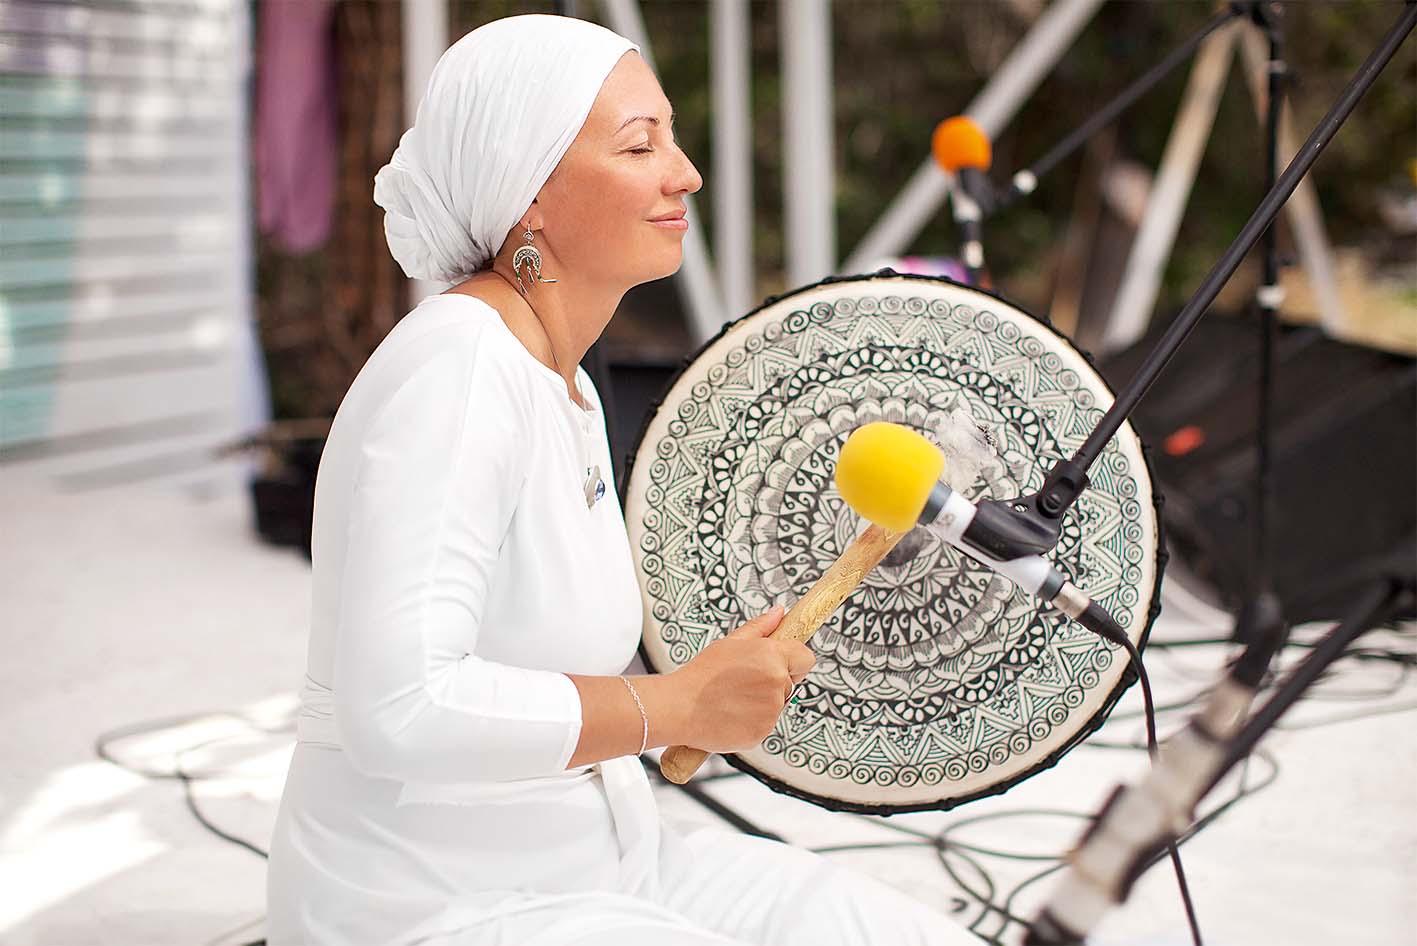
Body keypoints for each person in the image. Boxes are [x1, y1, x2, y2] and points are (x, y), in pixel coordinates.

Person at [265, 14, 980, 946]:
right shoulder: (459, 374)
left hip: (607, 865)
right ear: (527, 195)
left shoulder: (563, 383)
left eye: (671, 139)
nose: (685, 173)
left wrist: (710, 682)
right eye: (640, 146)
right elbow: (398, 706)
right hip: (429, 907)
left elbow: (542, 663)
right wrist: (673, 706)